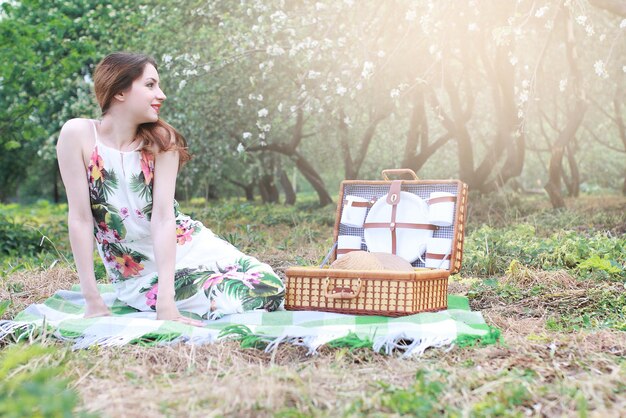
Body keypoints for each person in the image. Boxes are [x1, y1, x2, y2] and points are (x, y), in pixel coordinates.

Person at [56, 52, 285, 326]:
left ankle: (178, 295)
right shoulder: (78, 135)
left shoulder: (161, 141)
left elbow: (163, 218)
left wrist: (167, 304)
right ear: (119, 91)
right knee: (230, 297)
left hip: (188, 245)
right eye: (150, 85)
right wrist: (92, 299)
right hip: (137, 273)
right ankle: (182, 295)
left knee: (270, 287)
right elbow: (80, 219)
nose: (161, 94)